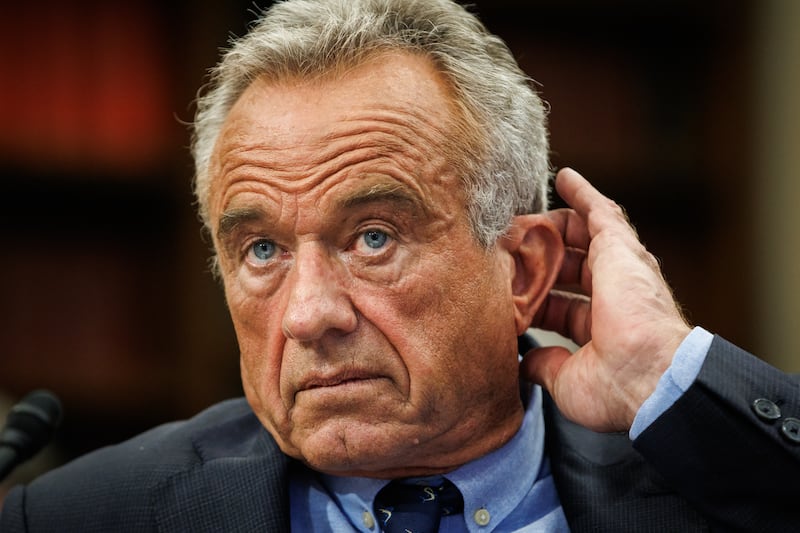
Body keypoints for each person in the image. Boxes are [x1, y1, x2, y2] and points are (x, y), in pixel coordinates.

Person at [1, 0, 798, 531]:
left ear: (523, 272)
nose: (310, 314)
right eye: (263, 250)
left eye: (373, 237)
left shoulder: (713, 490)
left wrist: (667, 372)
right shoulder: (81, 515)